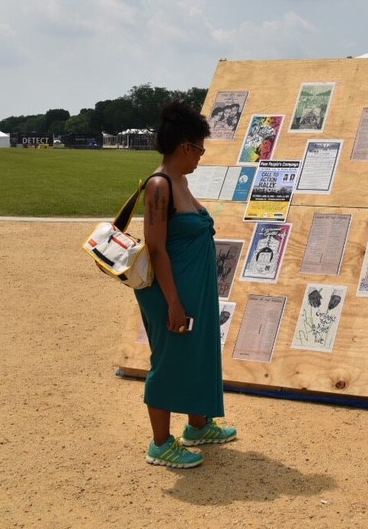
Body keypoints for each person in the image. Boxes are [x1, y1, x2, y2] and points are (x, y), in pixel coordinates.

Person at [136, 100, 237, 469]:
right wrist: (174, 302)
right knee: (169, 357)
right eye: (200, 149)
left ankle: (197, 424)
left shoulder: (179, 181)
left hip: (192, 288)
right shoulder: (160, 185)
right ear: (185, 148)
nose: (201, 157)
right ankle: (160, 443)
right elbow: (157, 248)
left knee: (198, 350)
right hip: (171, 291)